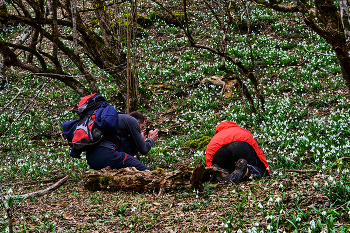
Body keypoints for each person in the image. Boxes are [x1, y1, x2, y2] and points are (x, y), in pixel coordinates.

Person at [86, 111, 158, 171]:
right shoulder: (131, 121)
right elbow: (144, 150)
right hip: (106, 154)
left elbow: (128, 151)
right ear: (137, 122)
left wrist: (140, 141)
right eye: (141, 127)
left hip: (92, 159)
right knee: (144, 170)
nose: (140, 130)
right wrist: (151, 139)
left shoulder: (117, 121)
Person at [206, 121, 270, 183]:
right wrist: (265, 167)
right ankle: (246, 171)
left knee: (224, 167)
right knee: (256, 167)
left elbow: (209, 155)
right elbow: (257, 152)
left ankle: (222, 173)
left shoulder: (215, 138)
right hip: (241, 143)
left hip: (219, 149)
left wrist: (210, 173)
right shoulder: (241, 130)